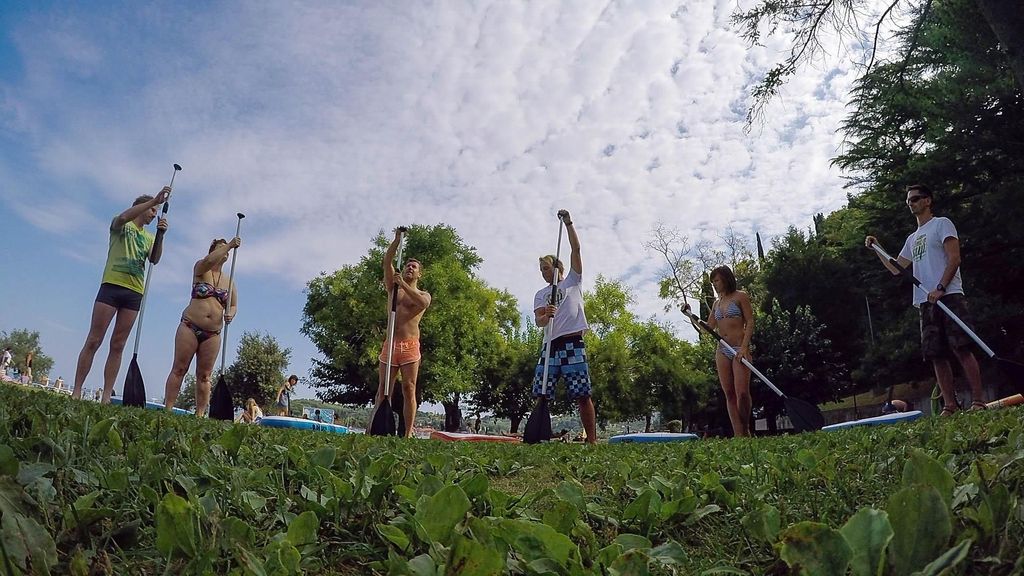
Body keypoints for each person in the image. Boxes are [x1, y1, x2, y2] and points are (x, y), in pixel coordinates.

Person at [866, 184, 985, 415]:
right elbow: (897, 269)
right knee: (936, 354)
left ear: (928, 201)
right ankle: (950, 406)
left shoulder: (942, 224)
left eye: (916, 199)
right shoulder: (912, 238)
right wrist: (878, 248)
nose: (911, 203)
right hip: (925, 301)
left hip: (949, 295)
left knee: (961, 348)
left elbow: (954, 258)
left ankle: (978, 402)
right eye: (908, 200)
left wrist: (940, 287)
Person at [72, 188, 170, 402]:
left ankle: (107, 395)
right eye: (152, 210)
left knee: (118, 345)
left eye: (156, 210)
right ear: (141, 207)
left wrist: (161, 235)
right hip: (111, 286)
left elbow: (154, 259)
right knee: (94, 340)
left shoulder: (148, 236)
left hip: (134, 291)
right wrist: (154, 200)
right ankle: (77, 391)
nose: (155, 214)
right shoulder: (121, 225)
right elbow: (125, 216)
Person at [531, 209, 598, 445]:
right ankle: (539, 436)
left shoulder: (573, 280)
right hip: (550, 345)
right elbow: (539, 321)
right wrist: (545, 315)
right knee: (542, 393)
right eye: (540, 270)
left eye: (546, 268)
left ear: (557, 267)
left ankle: (591, 440)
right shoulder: (541, 294)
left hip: (572, 343)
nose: (543, 273)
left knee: (582, 393)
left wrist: (568, 223)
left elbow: (576, 250)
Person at [161, 237, 241, 416]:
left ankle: (200, 415)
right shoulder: (201, 267)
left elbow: (234, 305)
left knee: (205, 376)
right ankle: (168, 409)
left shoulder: (229, 282)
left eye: (226, 251)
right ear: (212, 251)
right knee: (179, 368)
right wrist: (228, 245)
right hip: (190, 326)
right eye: (220, 249)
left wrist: (231, 313)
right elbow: (209, 261)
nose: (225, 252)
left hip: (212, 334)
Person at [368, 227, 432, 438]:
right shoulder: (393, 288)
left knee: (408, 388)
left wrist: (402, 282)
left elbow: (422, 303)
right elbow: (387, 262)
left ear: (419, 273)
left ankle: (407, 432)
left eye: (413, 267)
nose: (409, 268)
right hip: (390, 345)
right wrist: (396, 241)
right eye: (407, 266)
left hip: (409, 346)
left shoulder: (422, 294)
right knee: (383, 391)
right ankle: (372, 429)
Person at [704, 265, 755, 437]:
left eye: (717, 280)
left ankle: (746, 426)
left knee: (742, 393)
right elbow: (708, 328)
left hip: (739, 348)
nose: (715, 284)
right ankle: (739, 434)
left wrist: (744, 347)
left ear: (726, 278)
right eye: (713, 282)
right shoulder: (716, 303)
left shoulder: (741, 296)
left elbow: (750, 321)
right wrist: (690, 315)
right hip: (722, 350)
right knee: (730, 394)